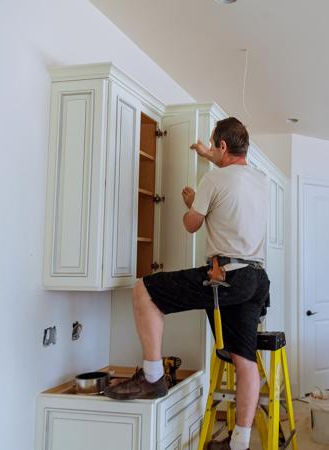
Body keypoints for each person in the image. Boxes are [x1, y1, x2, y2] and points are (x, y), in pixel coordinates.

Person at [105, 117, 270, 450]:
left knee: (144, 290)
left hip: (226, 275)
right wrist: (209, 155)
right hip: (256, 278)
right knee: (244, 360)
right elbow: (231, 172)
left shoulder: (212, 180)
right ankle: (239, 443)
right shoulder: (261, 180)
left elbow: (191, 225)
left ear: (222, 145)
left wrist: (193, 202)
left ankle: (152, 377)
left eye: (214, 146)